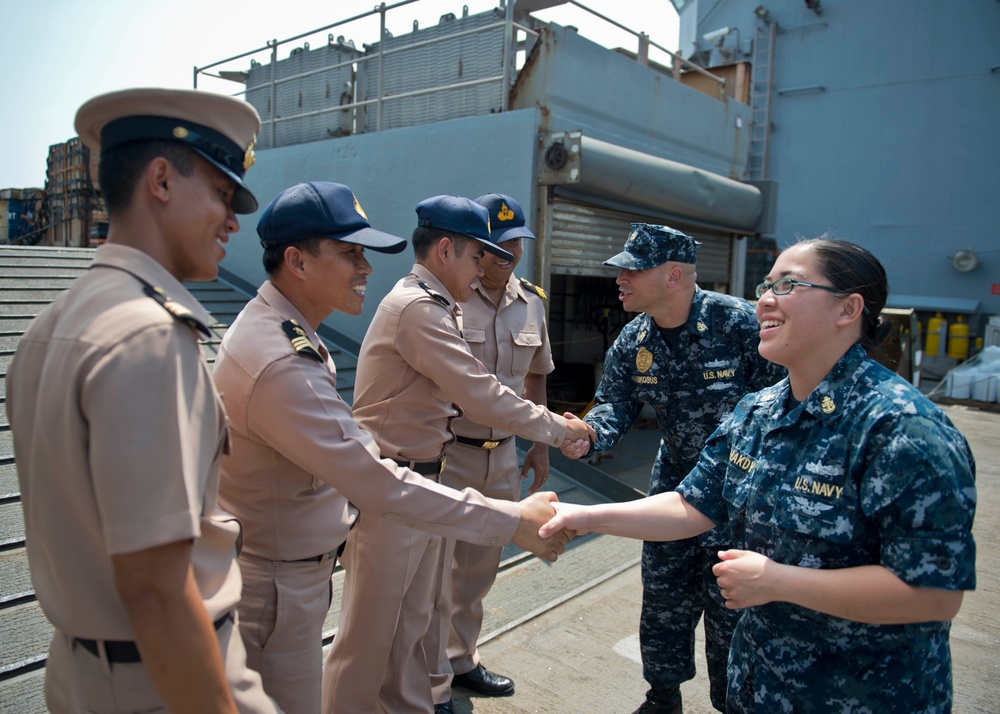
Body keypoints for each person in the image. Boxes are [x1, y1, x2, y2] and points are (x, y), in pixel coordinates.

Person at [547, 238, 977, 713]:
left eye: (788, 285)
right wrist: (583, 517)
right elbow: (692, 504)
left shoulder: (901, 431)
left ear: (848, 309)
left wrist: (777, 581)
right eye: (766, 285)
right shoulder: (758, 413)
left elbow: (934, 597)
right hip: (760, 690)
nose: (765, 300)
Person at [214, 181, 567, 714]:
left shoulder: (292, 337)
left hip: (354, 524)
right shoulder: (284, 357)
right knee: (365, 651)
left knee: (408, 636)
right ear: (297, 261)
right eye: (350, 252)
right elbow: (378, 474)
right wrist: (514, 518)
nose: (366, 269)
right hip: (290, 571)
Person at [6, 87, 278, 713]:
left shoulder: (53, 324)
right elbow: (156, 591)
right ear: (160, 179)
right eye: (220, 193)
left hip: (83, 672)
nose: (233, 219)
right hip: (163, 679)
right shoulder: (151, 335)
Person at [322, 195, 595, 714]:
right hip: (393, 486)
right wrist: (560, 430)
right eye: (476, 257)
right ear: (446, 250)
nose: (481, 271)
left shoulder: (438, 305)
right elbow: (480, 394)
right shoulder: (417, 309)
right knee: (368, 643)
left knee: (409, 630)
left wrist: (545, 435)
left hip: (424, 480)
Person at [564, 223, 783, 713]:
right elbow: (615, 402)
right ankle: (662, 697)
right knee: (663, 599)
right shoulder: (634, 337)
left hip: (739, 493)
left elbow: (783, 399)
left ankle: (732, 703)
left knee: (732, 610)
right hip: (675, 486)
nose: (620, 278)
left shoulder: (738, 322)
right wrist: (590, 433)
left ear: (673, 275)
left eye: (632, 270)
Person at [429, 193, 553, 705]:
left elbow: (536, 377)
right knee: (436, 569)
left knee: (480, 570)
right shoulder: (450, 298)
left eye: (515, 245)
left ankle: (461, 660)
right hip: (452, 451)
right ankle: (430, 672)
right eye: (497, 248)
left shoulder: (534, 302)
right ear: (478, 248)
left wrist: (541, 446)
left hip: (502, 456)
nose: (507, 257)